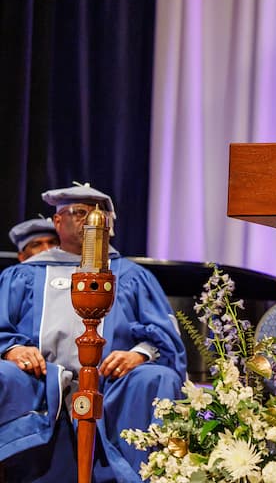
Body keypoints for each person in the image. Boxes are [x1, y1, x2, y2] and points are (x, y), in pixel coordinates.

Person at [0, 184, 187, 483]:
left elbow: (164, 337)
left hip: (113, 385)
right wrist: (11, 350)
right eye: (79, 212)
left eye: (99, 214)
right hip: (39, 382)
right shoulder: (24, 275)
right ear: (58, 222)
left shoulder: (131, 276)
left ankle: (146, 474)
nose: (90, 220)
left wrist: (138, 354)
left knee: (157, 378)